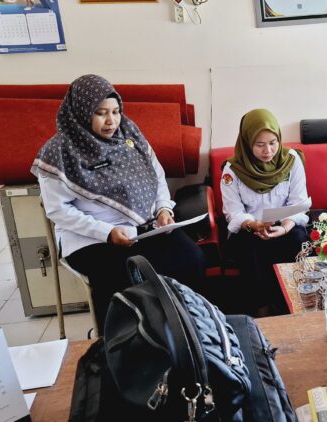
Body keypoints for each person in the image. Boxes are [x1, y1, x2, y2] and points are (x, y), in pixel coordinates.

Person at [32, 74, 204, 330]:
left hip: (144, 226)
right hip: (89, 237)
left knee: (191, 258)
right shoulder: (59, 152)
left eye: (115, 111)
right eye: (101, 113)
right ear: (82, 112)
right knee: (125, 275)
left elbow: (156, 175)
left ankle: (184, 329)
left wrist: (163, 209)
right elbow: (58, 210)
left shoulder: (129, 135)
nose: (111, 121)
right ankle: (120, 340)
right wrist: (107, 232)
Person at [220, 109, 309, 315]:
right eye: (259, 144)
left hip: (284, 225)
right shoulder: (232, 170)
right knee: (252, 248)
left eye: (273, 142)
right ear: (247, 142)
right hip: (250, 228)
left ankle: (293, 303)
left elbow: (299, 202)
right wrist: (254, 225)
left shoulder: (291, 160)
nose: (268, 151)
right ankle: (262, 310)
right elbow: (233, 212)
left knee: (297, 239)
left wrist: (284, 227)